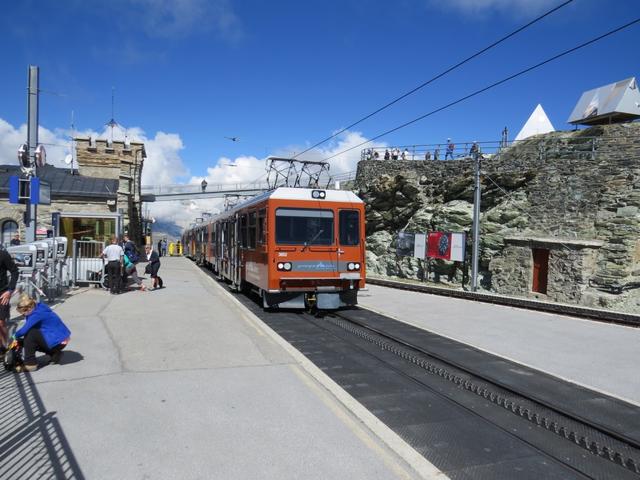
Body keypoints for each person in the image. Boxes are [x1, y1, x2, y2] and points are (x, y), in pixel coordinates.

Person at [13, 295, 71, 372]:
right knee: (27, 340)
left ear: (29, 308)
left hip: (58, 341)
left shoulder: (36, 314)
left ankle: (30, 364)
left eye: (23, 312)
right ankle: (55, 354)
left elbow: (23, 330)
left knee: (31, 334)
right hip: (62, 339)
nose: (23, 314)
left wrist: (14, 336)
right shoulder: (39, 307)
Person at [0, 249, 18, 352]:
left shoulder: (3, 254)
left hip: (2, 294)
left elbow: (15, 271)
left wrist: (10, 290)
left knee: (1, 322)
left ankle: (3, 349)